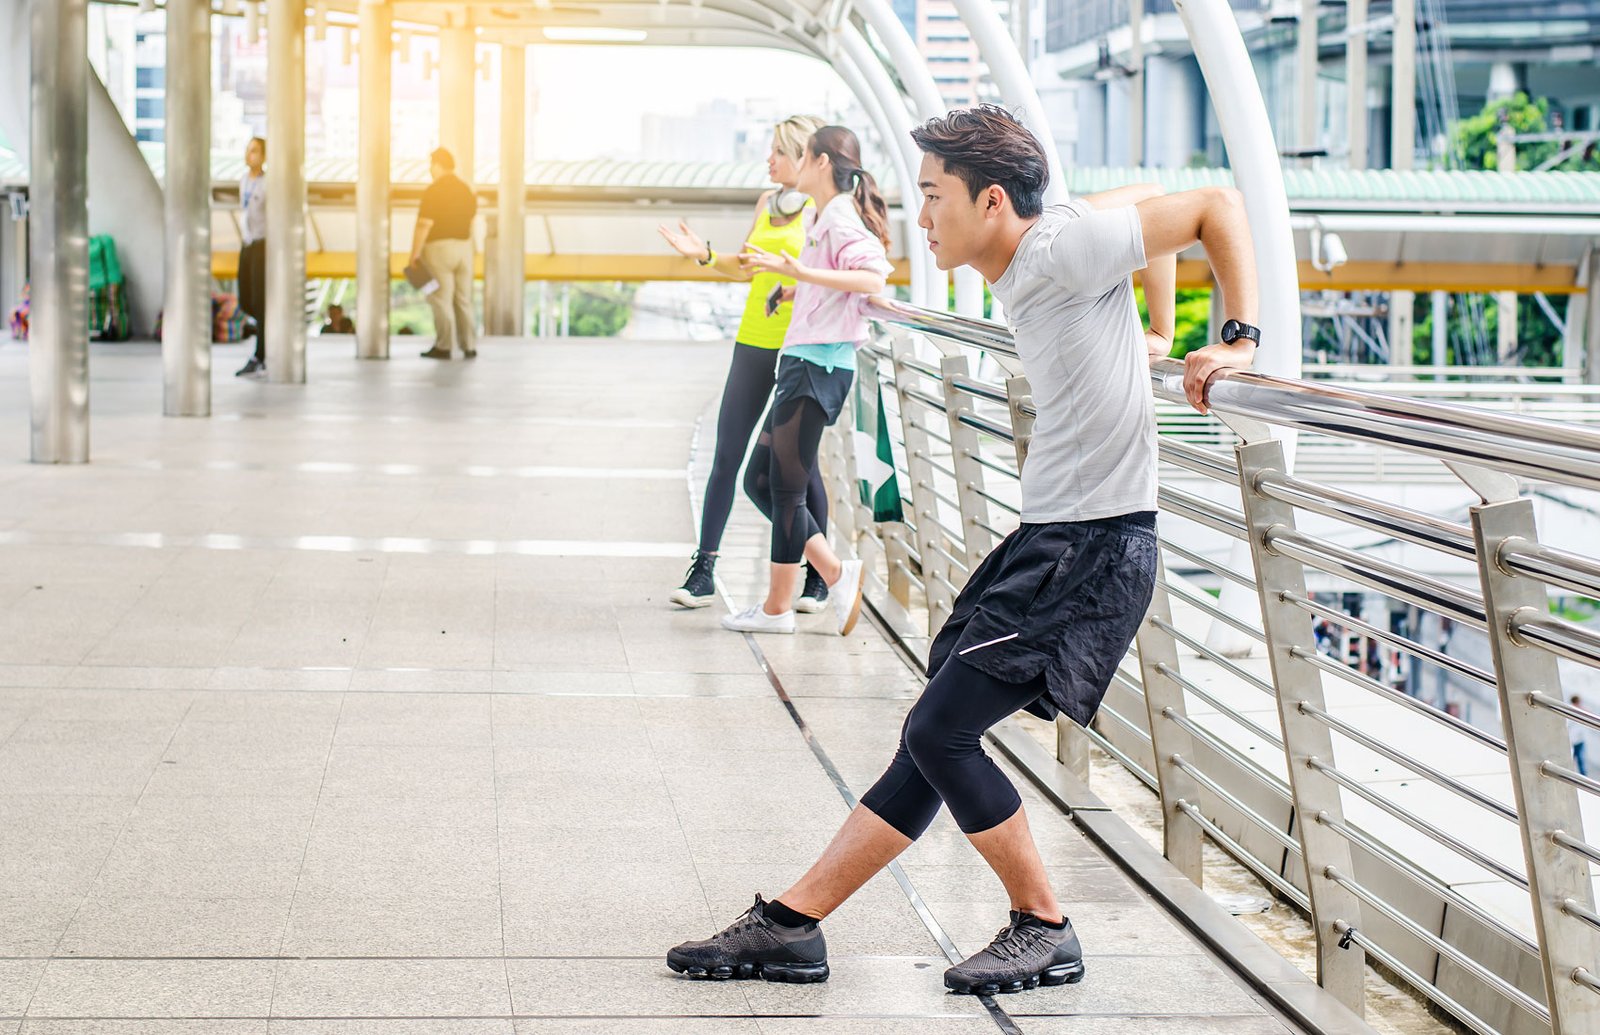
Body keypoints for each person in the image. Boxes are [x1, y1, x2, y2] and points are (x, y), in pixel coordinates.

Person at [667, 105, 1259, 994]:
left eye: (934, 195)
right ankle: (794, 925)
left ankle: (1044, 924)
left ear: (990, 201)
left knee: (941, 730)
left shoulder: (1058, 250)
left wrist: (1232, 341)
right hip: (1053, 535)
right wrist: (1160, 330)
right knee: (930, 735)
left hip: (1092, 545)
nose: (921, 215)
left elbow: (1214, 203)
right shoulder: (1049, 241)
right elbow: (1152, 207)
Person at [716, 126, 895, 638]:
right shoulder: (823, 215)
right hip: (804, 361)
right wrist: (795, 291)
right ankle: (836, 573)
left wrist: (803, 275)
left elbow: (873, 276)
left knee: (786, 490)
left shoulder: (838, 216)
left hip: (818, 366)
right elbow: (833, 282)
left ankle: (777, 609)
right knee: (761, 481)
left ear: (819, 162)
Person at [659, 115, 830, 611]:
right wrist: (705, 254)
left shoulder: (822, 211)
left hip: (799, 347)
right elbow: (746, 264)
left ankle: (818, 576)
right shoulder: (766, 204)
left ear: (802, 157)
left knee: (799, 465)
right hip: (753, 340)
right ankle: (704, 569)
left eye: (778, 152)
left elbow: (827, 275)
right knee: (726, 456)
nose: (769, 161)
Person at [410, 147, 478, 360]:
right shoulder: (466, 190)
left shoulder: (434, 190)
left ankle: (444, 346)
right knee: (463, 299)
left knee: (440, 298)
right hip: (464, 248)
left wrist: (414, 254)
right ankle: (469, 345)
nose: (430, 169)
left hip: (439, 249)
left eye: (431, 165)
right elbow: (471, 221)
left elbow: (424, 224)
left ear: (438, 165)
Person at [234, 137, 268, 378]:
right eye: (248, 150)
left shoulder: (268, 184)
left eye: (255, 151)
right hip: (247, 244)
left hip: (262, 245)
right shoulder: (244, 181)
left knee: (260, 301)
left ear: (264, 156)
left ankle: (261, 354)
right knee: (245, 300)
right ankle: (266, 332)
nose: (250, 155)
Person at [1572, 695, 1589, 776]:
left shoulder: (1582, 710)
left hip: (1580, 740)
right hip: (1573, 740)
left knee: (1580, 759)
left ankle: (1583, 776)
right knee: (1572, 759)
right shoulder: (1570, 710)